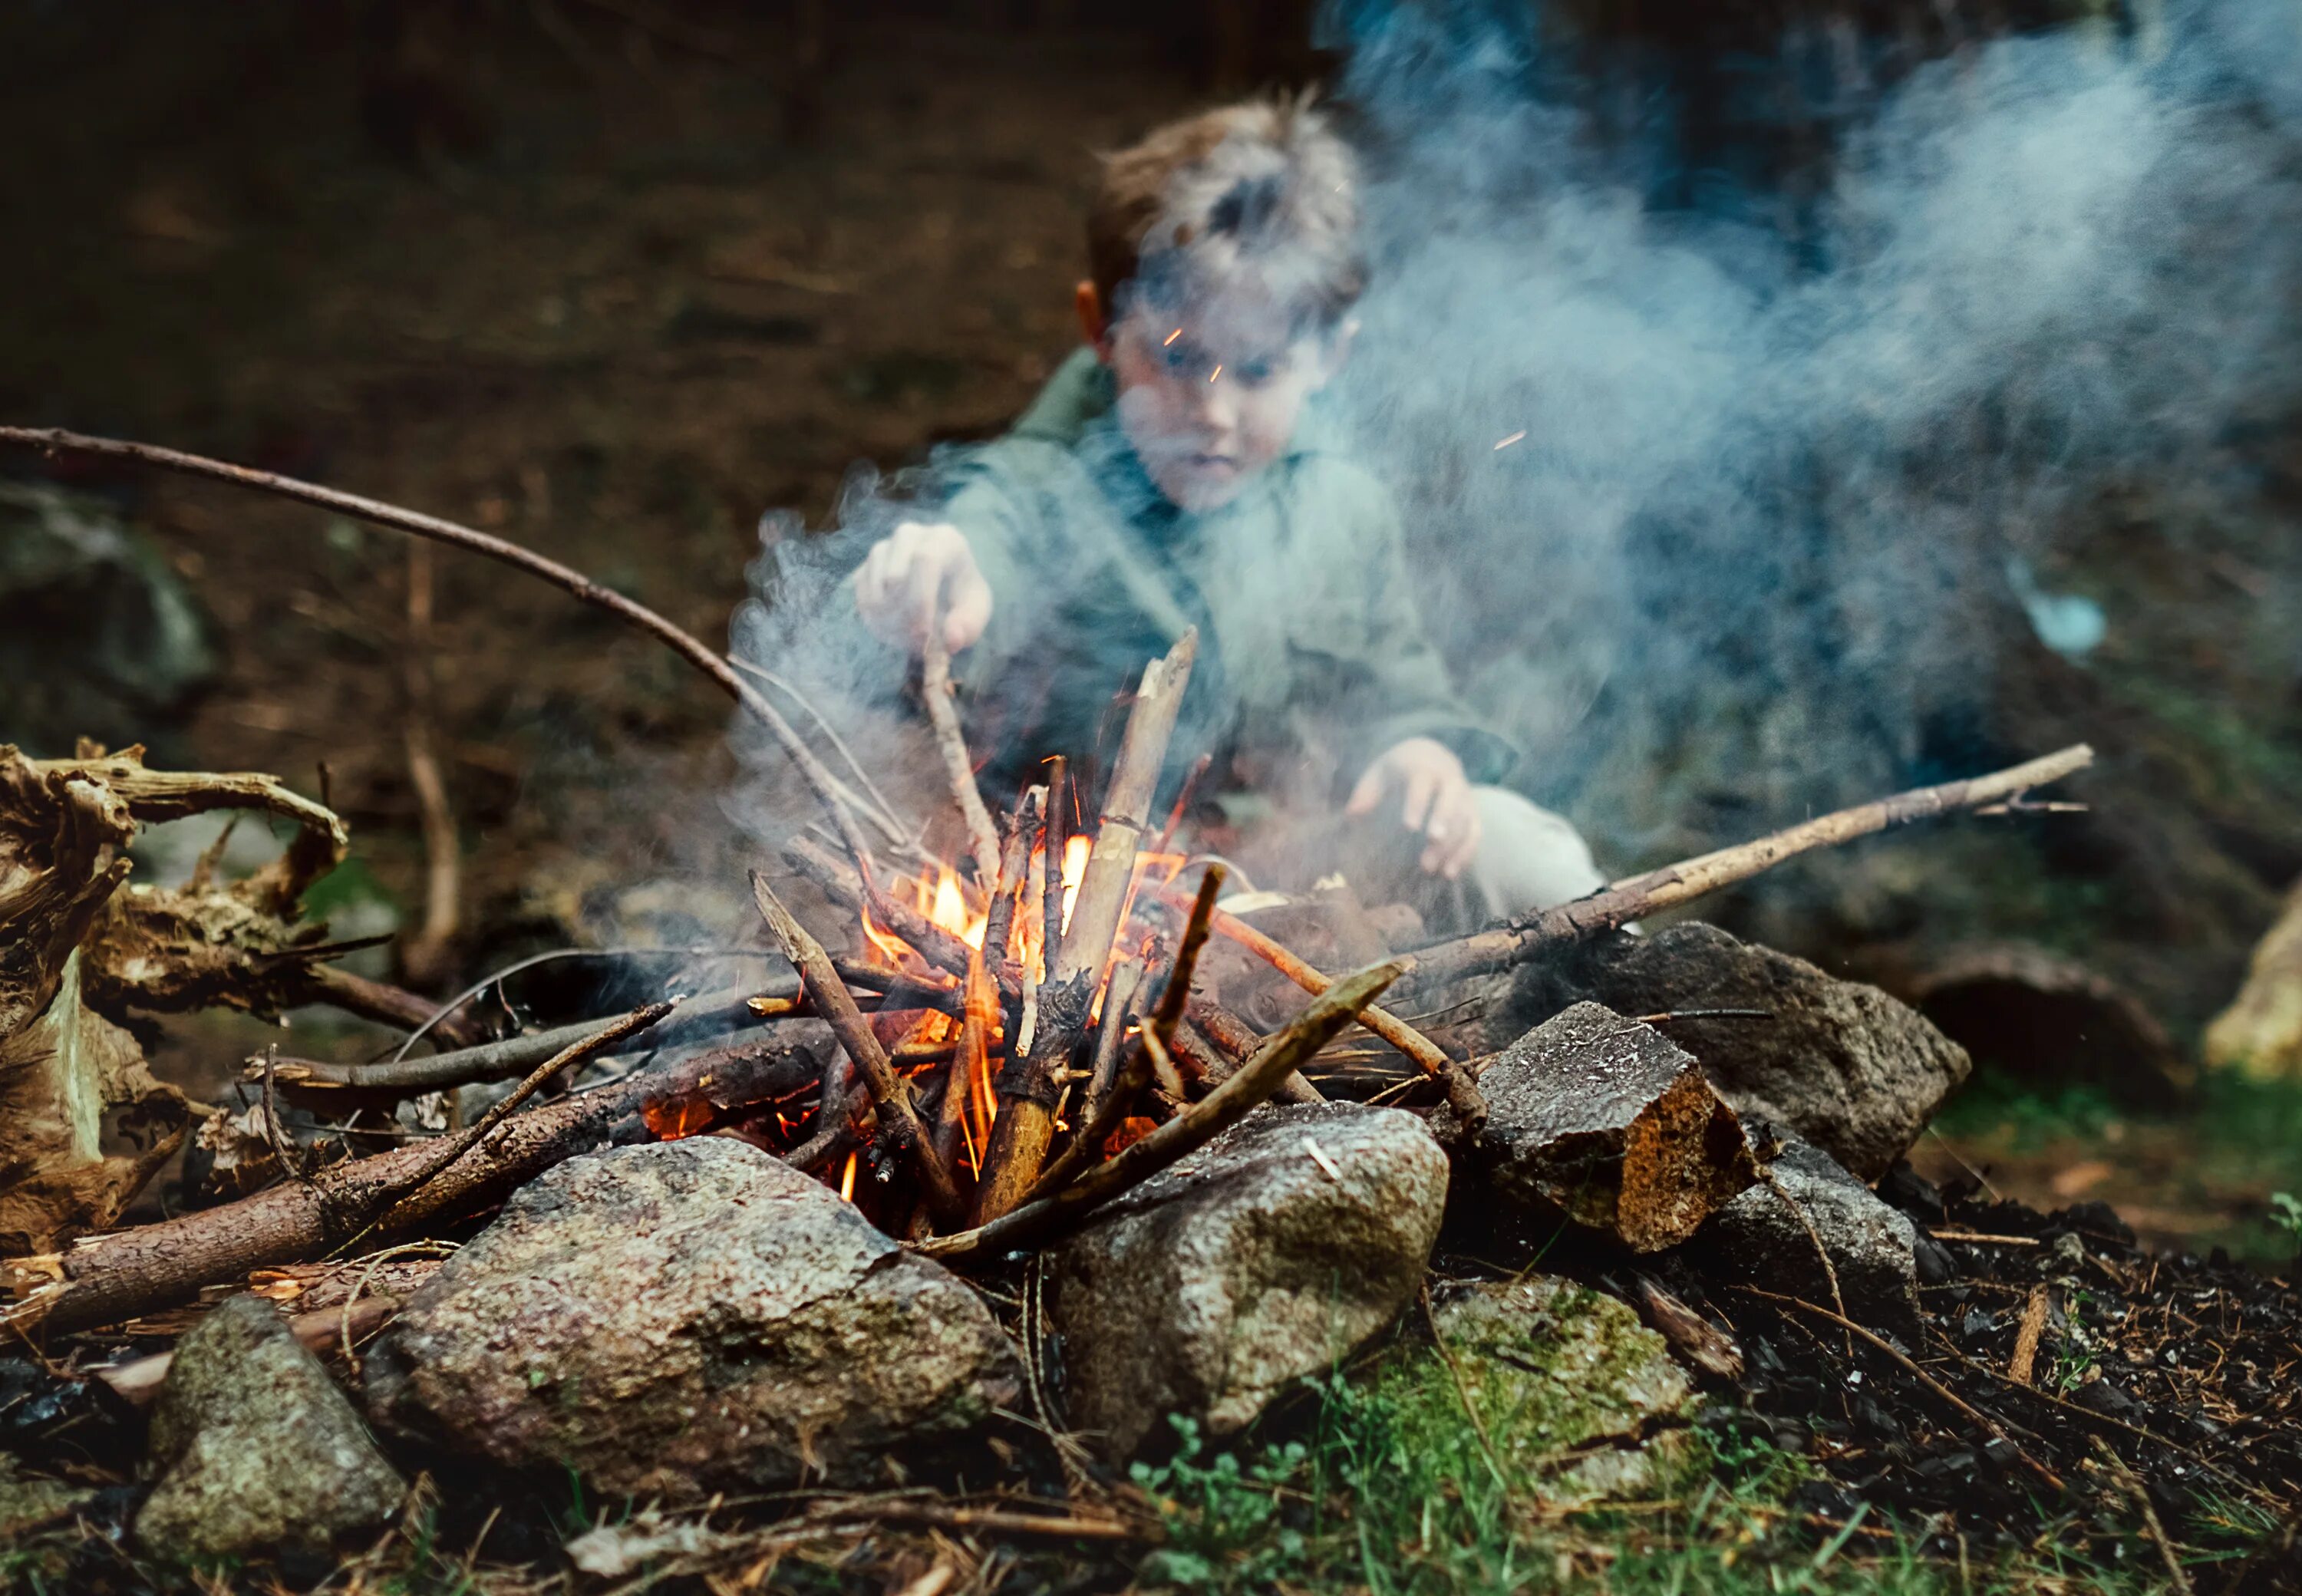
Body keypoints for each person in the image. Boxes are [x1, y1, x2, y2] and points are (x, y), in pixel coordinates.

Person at [834, 94, 1604, 929]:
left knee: (1520, 855)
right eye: (1178, 359)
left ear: (1330, 354)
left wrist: (1416, 751)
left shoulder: (1343, 507)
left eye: (1259, 371)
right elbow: (989, 532)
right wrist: (940, 578)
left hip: (1291, 889)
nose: (1213, 412)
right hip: (1083, 922)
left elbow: (1394, 691)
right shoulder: (1044, 481)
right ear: (1101, 328)